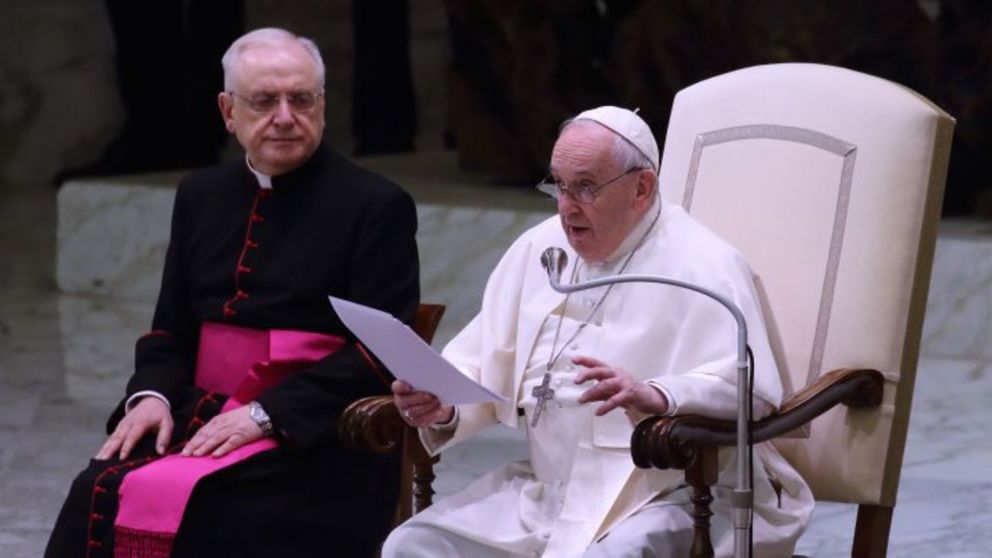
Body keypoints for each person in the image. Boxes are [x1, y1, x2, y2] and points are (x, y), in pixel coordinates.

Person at [46, 28, 419, 558]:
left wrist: (265, 414)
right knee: (97, 490)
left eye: (302, 99)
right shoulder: (201, 195)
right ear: (228, 110)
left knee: (220, 507)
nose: (286, 116)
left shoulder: (377, 205)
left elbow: (381, 350)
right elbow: (169, 329)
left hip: (314, 435)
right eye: (265, 101)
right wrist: (149, 397)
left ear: (323, 105)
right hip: (201, 414)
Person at [384, 106, 812, 557]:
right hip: (550, 491)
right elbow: (481, 359)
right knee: (414, 545)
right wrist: (441, 403)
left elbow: (754, 390)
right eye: (559, 185)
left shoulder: (703, 264)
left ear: (641, 188)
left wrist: (661, 394)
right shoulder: (540, 248)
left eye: (585, 187)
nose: (567, 207)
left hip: (668, 494)